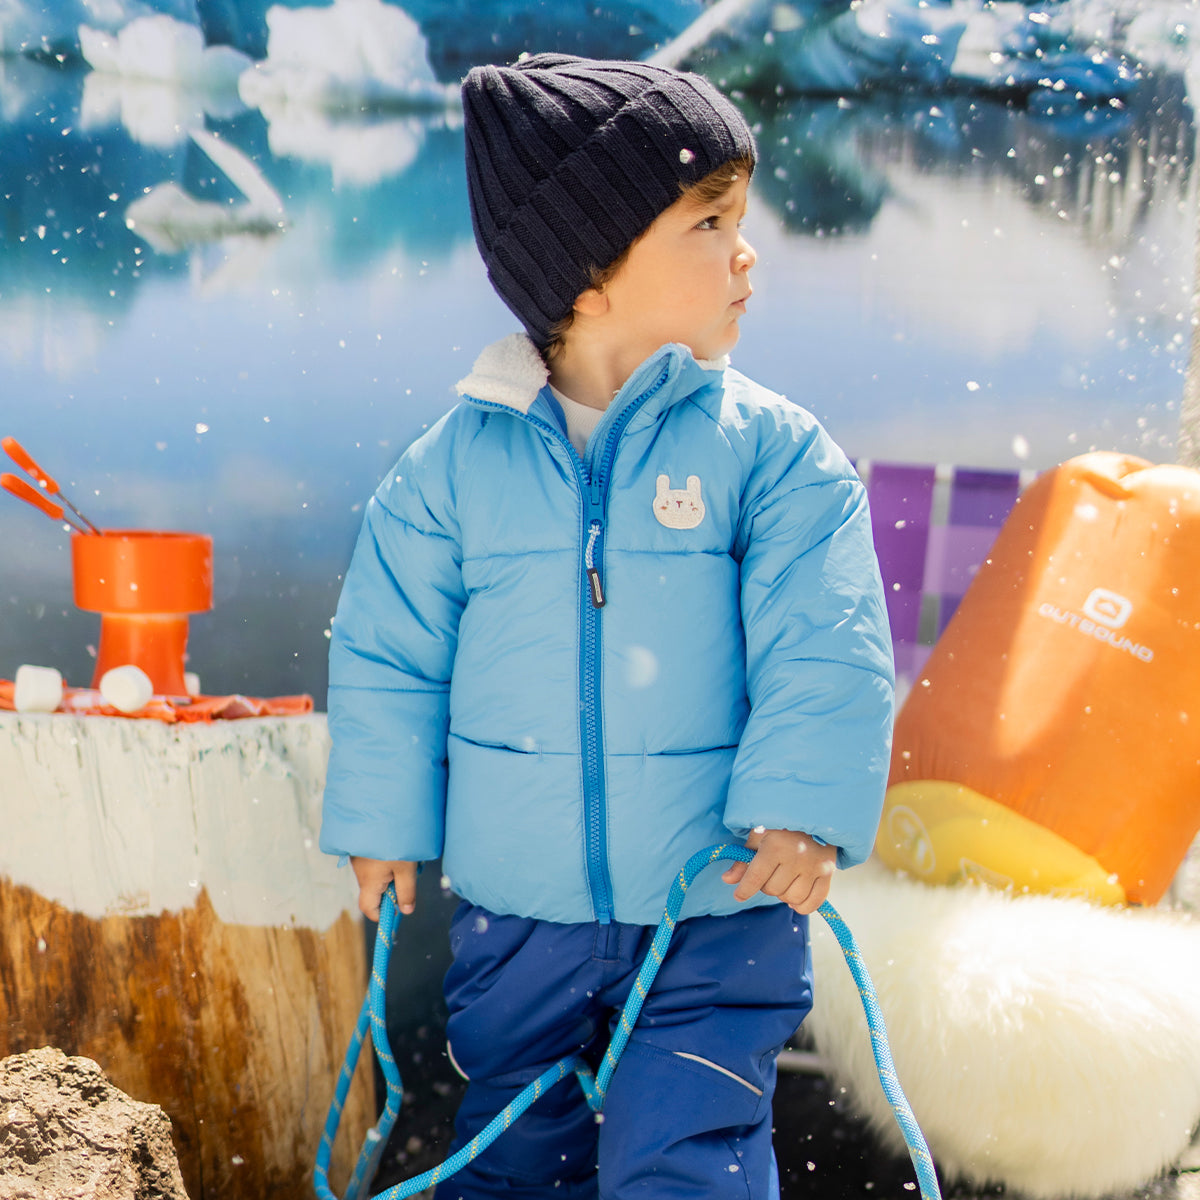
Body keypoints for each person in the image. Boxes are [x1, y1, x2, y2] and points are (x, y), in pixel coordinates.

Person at [321, 53, 894, 1200]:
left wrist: (799, 807)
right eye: (710, 219)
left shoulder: (771, 455)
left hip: (716, 907)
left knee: (685, 1157)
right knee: (518, 1146)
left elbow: (825, 644)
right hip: (519, 908)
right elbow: (391, 658)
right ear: (591, 267)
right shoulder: (451, 470)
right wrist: (385, 815)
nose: (747, 252)